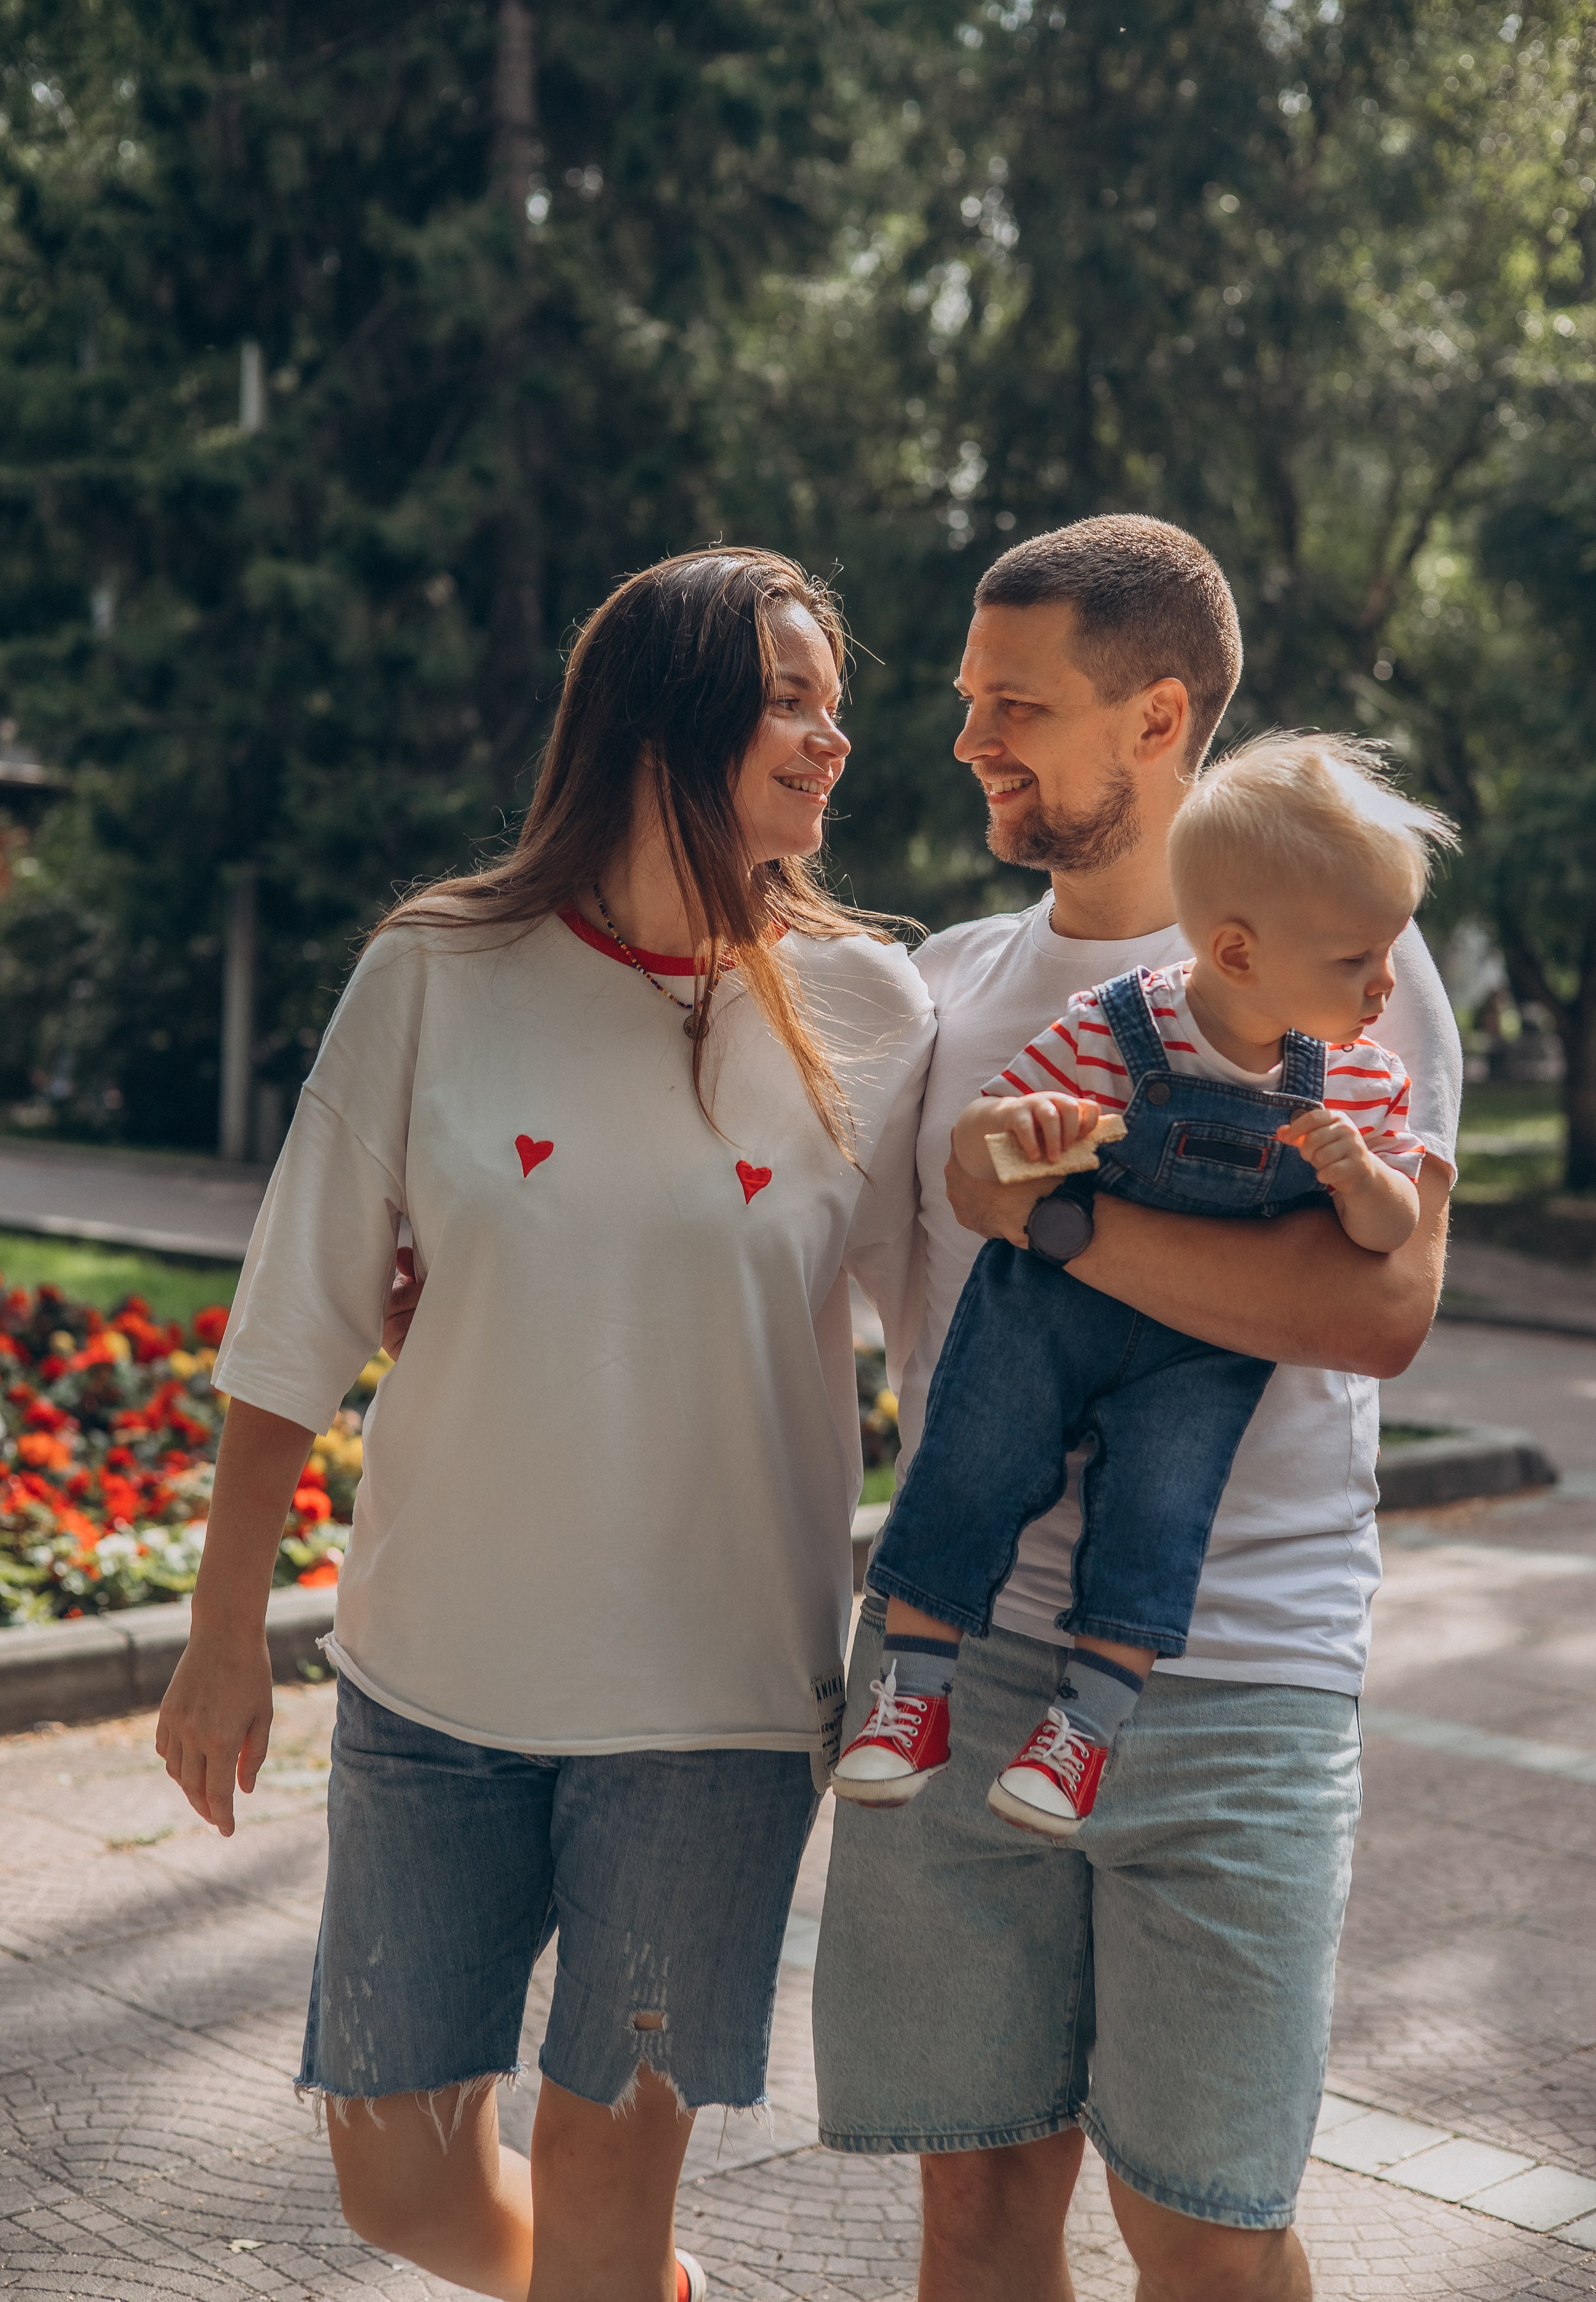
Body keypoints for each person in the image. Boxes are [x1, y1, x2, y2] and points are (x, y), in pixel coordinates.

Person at [154, 547, 935, 2302]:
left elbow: (947, 1338)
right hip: (435, 1682)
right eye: (794, 698)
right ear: (664, 715)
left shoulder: (877, 1015)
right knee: (399, 2181)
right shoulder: (439, 970)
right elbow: (296, 1313)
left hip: (718, 1707)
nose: (835, 740)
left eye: (838, 702)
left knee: (601, 2178)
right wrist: (220, 1642)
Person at [813, 515, 1459, 2302]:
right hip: (956, 1668)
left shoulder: (1348, 960)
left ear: (1157, 716)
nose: (968, 738)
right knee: (980, 2204)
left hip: (1238, 1681)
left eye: (1015, 703)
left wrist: (1063, 1224)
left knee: (1210, 2228)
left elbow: (1378, 1311)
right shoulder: (942, 987)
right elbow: (806, 1262)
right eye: (966, 698)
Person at [834, 733, 1449, 1833]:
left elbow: (1390, 1239)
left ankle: (1087, 1724)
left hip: (1199, 1354)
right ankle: (911, 1694)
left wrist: (1362, 1180)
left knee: (1164, 1510)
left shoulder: (1362, 1073)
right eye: (1359, 960)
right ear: (1240, 953)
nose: (1386, 985)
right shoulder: (1120, 1025)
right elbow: (982, 1154)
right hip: (1051, 1318)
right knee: (974, 1452)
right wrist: (1023, 1129)